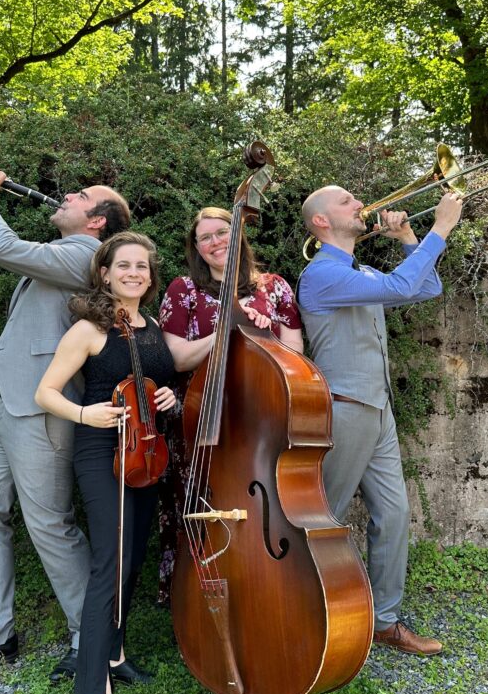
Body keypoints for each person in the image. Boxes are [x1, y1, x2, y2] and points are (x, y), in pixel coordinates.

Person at [0, 155, 130, 682]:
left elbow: (3, 248)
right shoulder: (64, 250)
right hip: (9, 403)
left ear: (97, 221)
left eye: (80, 196)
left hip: (44, 406)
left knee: (50, 526)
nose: (66, 197)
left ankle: (94, 639)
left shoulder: (87, 255)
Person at [297, 186, 463, 655]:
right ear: (322, 223)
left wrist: (410, 236)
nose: (360, 205)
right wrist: (440, 228)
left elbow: (427, 286)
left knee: (393, 515)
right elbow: (403, 285)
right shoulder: (321, 275)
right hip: (347, 409)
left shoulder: (360, 270)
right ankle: (301, 607)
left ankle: (384, 620)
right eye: (347, 201)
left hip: (379, 409)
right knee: (323, 518)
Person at [35, 232, 176, 694]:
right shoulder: (91, 329)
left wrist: (168, 400)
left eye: (142, 265)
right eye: (124, 265)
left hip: (146, 452)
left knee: (134, 556)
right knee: (109, 566)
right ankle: (94, 693)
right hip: (102, 452)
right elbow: (45, 391)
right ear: (106, 273)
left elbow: (165, 383)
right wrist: (83, 412)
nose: (134, 272)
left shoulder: (153, 326)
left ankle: (114, 653)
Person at [156, 206, 302, 602]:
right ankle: (193, 600)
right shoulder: (182, 289)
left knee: (263, 508)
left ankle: (264, 589)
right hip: (201, 421)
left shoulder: (275, 288)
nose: (215, 242)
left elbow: (297, 360)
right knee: (201, 503)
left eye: (222, 232)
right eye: (205, 238)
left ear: (239, 235)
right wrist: (227, 328)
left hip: (262, 420)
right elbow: (179, 358)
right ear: (197, 248)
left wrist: (261, 332)